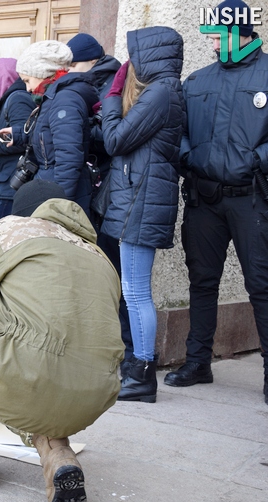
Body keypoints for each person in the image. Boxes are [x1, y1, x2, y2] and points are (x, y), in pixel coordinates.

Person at [0, 179, 123, 502]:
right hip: (95, 394)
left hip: (28, 376)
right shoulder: (98, 254)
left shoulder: (12, 231)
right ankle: (58, 453)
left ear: (22, 213)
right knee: (40, 360)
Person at [168, 0, 268, 404]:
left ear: (243, 33)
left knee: (261, 285)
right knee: (202, 283)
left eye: (219, 38)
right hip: (204, 199)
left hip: (253, 199)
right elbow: (180, 132)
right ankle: (197, 362)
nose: (212, 46)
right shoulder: (197, 80)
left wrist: (255, 162)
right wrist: (190, 157)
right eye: (210, 39)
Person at [100, 27, 185, 403]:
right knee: (134, 290)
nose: (130, 62)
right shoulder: (163, 91)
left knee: (135, 292)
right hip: (141, 198)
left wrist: (112, 97)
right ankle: (138, 369)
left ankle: (142, 373)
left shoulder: (160, 92)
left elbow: (115, 139)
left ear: (149, 55)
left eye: (134, 54)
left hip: (142, 201)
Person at [66, 33, 134, 382]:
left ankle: (125, 352)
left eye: (72, 64)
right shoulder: (90, 81)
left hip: (109, 193)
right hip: (95, 190)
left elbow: (111, 137)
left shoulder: (115, 82)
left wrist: (78, 130)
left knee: (114, 276)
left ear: (88, 60)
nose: (67, 70)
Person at [0, 41, 98, 215]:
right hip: (52, 192)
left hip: (60, 199)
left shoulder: (64, 99)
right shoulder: (55, 97)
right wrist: (20, 134)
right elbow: (50, 135)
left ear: (42, 72)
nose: (27, 88)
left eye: (27, 80)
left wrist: (58, 208)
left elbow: (69, 158)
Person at [0, 58, 36, 222]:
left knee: (2, 244)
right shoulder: (11, 99)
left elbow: (25, 137)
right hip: (7, 184)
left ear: (3, 77)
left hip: (11, 187)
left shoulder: (17, 99)